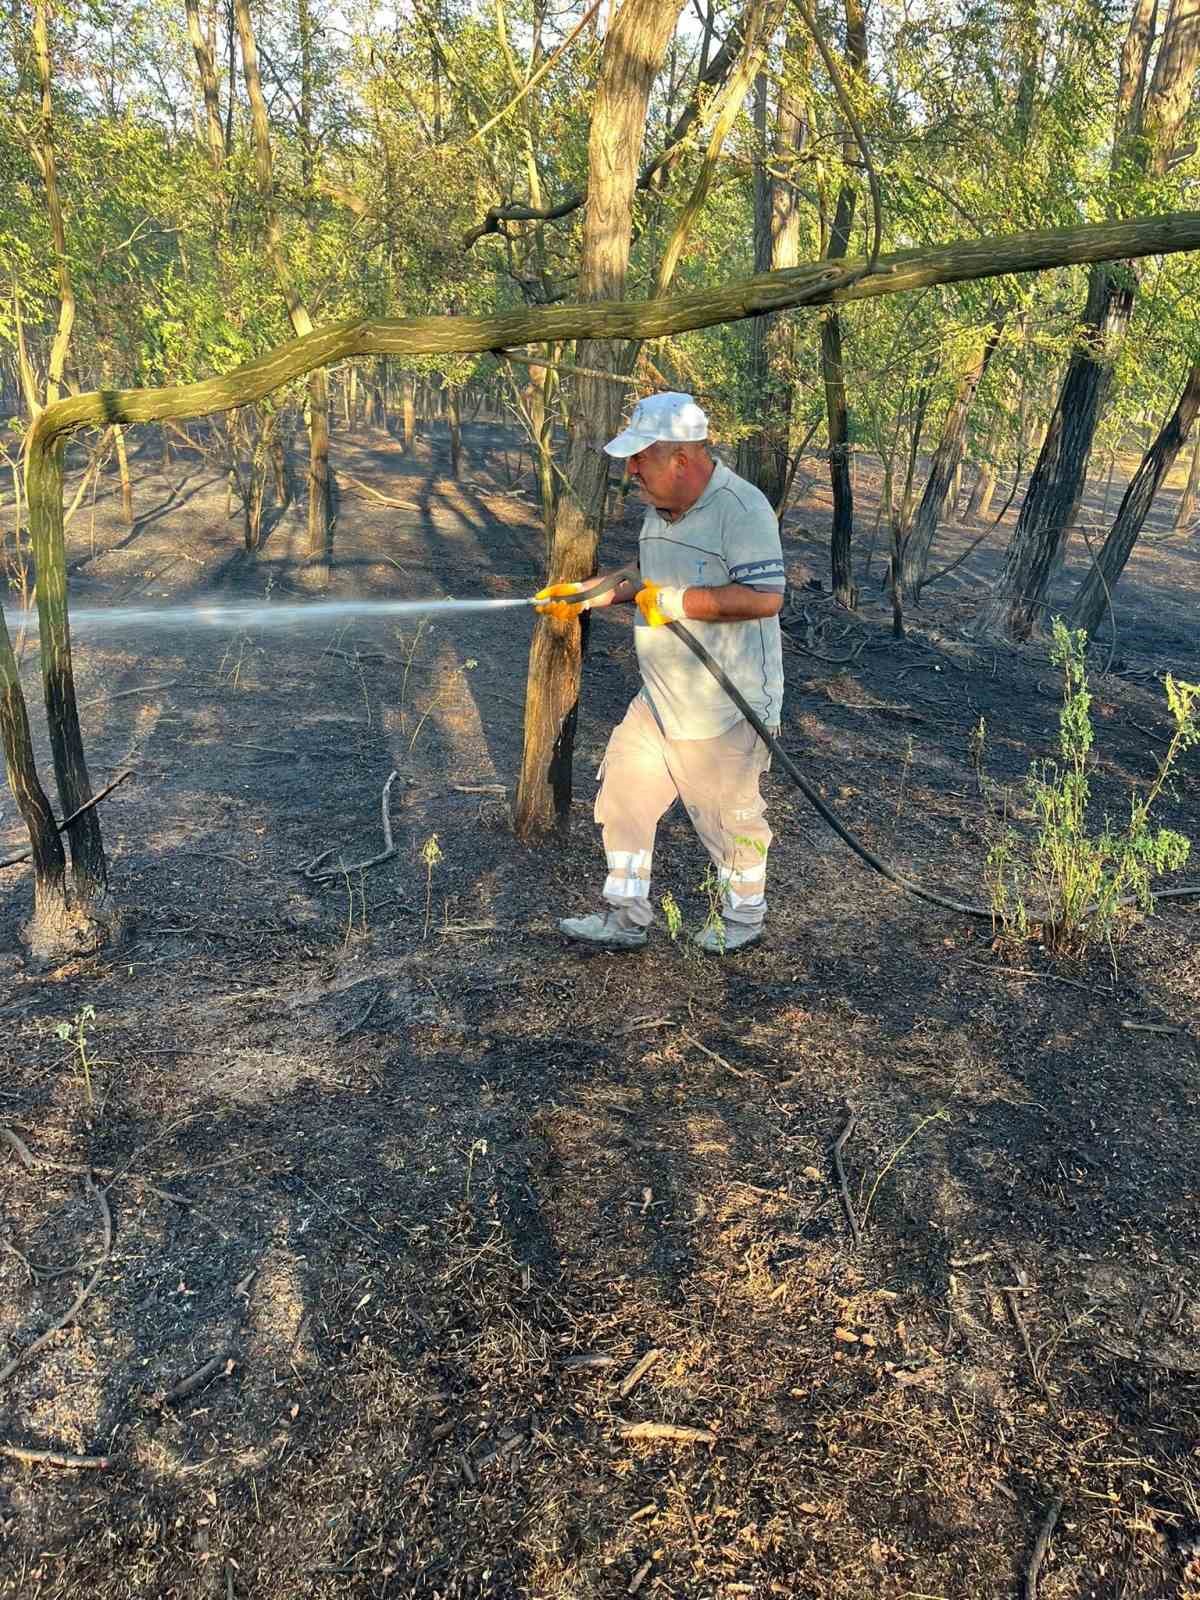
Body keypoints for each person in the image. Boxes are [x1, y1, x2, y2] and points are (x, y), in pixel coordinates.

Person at [536, 392, 785, 953]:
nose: (631, 471)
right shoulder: (660, 509)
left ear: (680, 459)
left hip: (725, 706)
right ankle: (625, 917)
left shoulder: (742, 511)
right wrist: (585, 595)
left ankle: (741, 922)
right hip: (660, 698)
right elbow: (644, 575)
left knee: (727, 823)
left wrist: (678, 602)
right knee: (622, 794)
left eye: (640, 458)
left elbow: (766, 598)